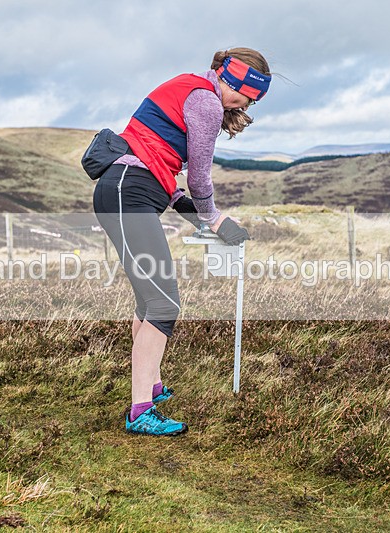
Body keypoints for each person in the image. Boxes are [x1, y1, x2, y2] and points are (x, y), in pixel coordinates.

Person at [92, 48, 271, 436]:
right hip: (129, 193)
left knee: (148, 299)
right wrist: (214, 218)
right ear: (235, 81)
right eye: (249, 96)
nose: (249, 104)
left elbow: (153, 150)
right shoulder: (205, 101)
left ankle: (151, 386)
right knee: (164, 303)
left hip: (124, 189)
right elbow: (201, 178)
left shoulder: (190, 88)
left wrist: (178, 203)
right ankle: (140, 411)